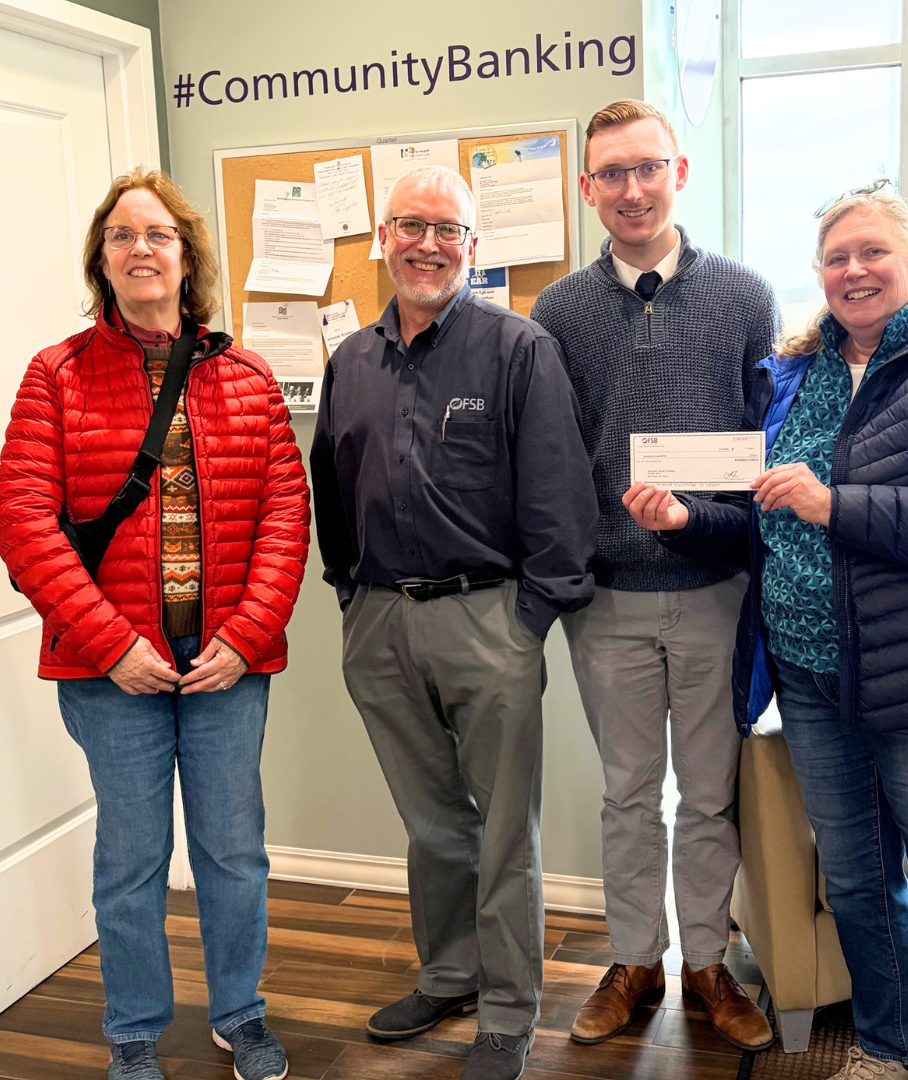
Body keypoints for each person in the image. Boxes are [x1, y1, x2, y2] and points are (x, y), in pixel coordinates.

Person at [624, 182, 908, 1080]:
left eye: (873, 253)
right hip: (816, 682)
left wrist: (833, 502)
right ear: (817, 273)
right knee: (857, 884)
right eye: (835, 257)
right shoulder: (795, 372)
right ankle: (889, 1049)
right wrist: (685, 522)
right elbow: (770, 523)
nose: (853, 271)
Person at [0, 168, 311, 1080]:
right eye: (123, 235)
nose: (141, 249)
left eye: (159, 235)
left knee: (233, 852)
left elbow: (285, 520)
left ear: (186, 258)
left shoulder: (246, 375)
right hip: (111, 672)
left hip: (226, 664)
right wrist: (114, 644)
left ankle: (240, 1014)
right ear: (103, 259)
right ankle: (134, 1031)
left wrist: (244, 639)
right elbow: (24, 522)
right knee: (131, 860)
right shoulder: (55, 376)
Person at [309, 164, 596, 1080]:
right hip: (381, 623)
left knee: (505, 828)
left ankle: (509, 1011)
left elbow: (560, 495)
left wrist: (529, 618)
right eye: (409, 226)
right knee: (433, 825)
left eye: (446, 229)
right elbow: (331, 487)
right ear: (380, 242)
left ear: (472, 247)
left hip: (489, 622)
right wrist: (351, 594)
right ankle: (449, 973)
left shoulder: (518, 348)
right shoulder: (351, 359)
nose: (427, 244)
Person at [530, 100, 778, 1051]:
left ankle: (709, 964)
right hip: (607, 605)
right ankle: (635, 960)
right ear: (587, 189)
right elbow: (551, 461)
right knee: (629, 794)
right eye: (611, 175)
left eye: (647, 168)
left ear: (679, 171)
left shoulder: (745, 297)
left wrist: (699, 523)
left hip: (717, 590)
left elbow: (768, 452)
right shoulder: (558, 311)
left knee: (711, 792)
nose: (631, 190)